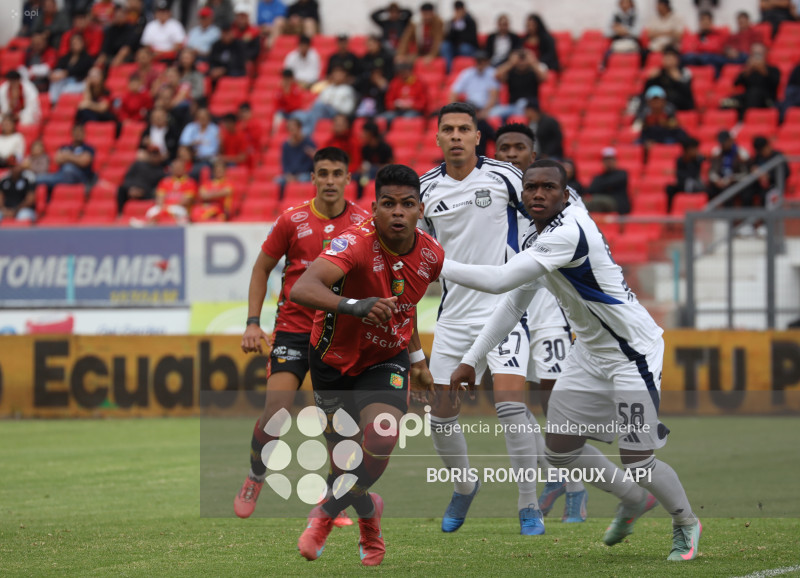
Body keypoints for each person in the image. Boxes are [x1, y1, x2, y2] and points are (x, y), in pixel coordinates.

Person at [443, 158, 701, 562]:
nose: (538, 194)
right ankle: (634, 500)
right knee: (559, 450)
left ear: (565, 195)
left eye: (548, 187)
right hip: (589, 353)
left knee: (638, 461)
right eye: (531, 187)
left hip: (631, 353)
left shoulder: (569, 231)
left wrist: (431, 260)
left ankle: (686, 523)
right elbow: (512, 303)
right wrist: (472, 359)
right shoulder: (539, 237)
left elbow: (499, 280)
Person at [289, 163, 443, 566]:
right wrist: (355, 306)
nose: (398, 212)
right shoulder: (354, 243)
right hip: (332, 359)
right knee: (345, 462)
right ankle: (369, 516)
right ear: (374, 209)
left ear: (420, 209)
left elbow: (405, 307)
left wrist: (418, 360)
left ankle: (324, 513)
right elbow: (302, 288)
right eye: (388, 204)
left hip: (385, 359)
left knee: (381, 437)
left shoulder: (432, 255)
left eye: (407, 204)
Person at [418, 102, 543, 535]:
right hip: (453, 317)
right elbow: (420, 253)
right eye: (448, 129)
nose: (455, 136)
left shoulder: (505, 176)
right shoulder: (425, 190)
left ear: (477, 137)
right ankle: (465, 485)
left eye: (463, 129)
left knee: (510, 406)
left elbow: (542, 219)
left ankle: (529, 504)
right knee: (440, 416)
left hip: (503, 310)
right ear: (438, 137)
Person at [234, 147, 370, 522]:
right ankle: (255, 475)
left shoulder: (362, 222)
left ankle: (332, 498)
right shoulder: (292, 220)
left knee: (339, 423)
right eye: (322, 173)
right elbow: (261, 269)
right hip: (293, 329)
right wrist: (252, 322)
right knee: (276, 412)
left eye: (337, 173)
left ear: (348, 178)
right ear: (312, 178)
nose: (330, 180)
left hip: (338, 334)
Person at [493, 123, 589, 523]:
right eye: (504, 148)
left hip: (550, 307)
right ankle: (554, 477)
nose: (510, 154)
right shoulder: (490, 192)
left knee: (554, 403)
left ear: (532, 156)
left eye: (518, 148)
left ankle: (576, 487)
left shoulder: (561, 196)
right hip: (511, 307)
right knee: (512, 403)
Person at [292, 66, 357, 137]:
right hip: (321, 111)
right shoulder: (328, 88)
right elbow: (317, 102)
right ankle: (296, 135)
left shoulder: (348, 90)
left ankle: (308, 133)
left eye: (340, 74)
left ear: (345, 76)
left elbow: (348, 110)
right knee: (298, 114)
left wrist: (331, 104)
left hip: (335, 113)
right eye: (336, 74)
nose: (337, 76)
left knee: (319, 106)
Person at [36, 124, 95, 197]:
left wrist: (68, 156)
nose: (78, 134)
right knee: (42, 177)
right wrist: (76, 158)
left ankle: (49, 181)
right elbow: (57, 159)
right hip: (61, 175)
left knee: (68, 168)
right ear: (72, 133)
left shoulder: (88, 148)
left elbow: (84, 161)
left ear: (84, 134)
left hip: (79, 177)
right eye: (76, 132)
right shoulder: (65, 146)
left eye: (80, 132)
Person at [725, 44, 780, 118]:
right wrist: (747, 71)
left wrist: (763, 70)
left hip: (766, 99)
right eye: (754, 54)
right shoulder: (748, 70)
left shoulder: (773, 69)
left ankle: (745, 119)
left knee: (754, 94)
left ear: (765, 54)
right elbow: (736, 83)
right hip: (747, 97)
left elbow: (775, 84)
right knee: (726, 102)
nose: (756, 57)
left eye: (759, 54)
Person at [491, 49, 548, 120]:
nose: (521, 61)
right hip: (512, 106)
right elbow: (497, 75)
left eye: (523, 58)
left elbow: (544, 77)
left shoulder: (533, 72)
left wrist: (532, 61)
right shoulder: (511, 72)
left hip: (530, 107)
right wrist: (511, 62)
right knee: (493, 113)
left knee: (522, 103)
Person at [141, 158, 196, 224]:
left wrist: (169, 207)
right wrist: (164, 207)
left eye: (179, 167)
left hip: (180, 208)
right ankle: (145, 226)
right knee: (152, 211)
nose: (177, 169)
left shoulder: (190, 182)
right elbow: (160, 198)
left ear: (185, 169)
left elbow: (186, 200)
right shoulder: (164, 181)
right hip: (164, 206)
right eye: (175, 167)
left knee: (179, 212)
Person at [448, 51, 498, 121]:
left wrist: (484, 111)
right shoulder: (467, 73)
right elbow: (454, 91)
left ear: (487, 62)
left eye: (482, 61)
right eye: (478, 61)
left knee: (496, 113)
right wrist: (453, 109)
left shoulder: (492, 73)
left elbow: (493, 96)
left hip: (487, 108)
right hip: (471, 106)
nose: (480, 63)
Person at [643, 46, 694, 111]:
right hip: (663, 106)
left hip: (681, 106)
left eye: (670, 58)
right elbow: (648, 91)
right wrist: (651, 79)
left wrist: (678, 80)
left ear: (677, 59)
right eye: (666, 58)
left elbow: (688, 93)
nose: (668, 60)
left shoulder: (684, 72)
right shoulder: (659, 73)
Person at [117, 145, 165, 213]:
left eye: (156, 155)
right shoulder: (138, 164)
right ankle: (120, 213)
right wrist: (131, 188)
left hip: (146, 193)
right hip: (131, 189)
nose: (154, 157)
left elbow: (158, 186)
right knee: (121, 189)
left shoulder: (161, 172)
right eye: (151, 154)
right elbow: (127, 178)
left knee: (156, 194)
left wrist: (142, 192)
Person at [48, 33, 94, 105]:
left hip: (79, 83)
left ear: (82, 43)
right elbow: (59, 67)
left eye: (77, 43)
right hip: (65, 81)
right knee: (57, 73)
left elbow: (80, 70)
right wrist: (53, 74)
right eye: (73, 43)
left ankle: (58, 104)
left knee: (65, 91)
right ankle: (53, 103)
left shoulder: (87, 58)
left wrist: (65, 73)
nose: (75, 45)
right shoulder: (66, 57)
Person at [586, 147, 631, 214]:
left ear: (615, 161)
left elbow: (611, 182)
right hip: (602, 205)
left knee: (595, 201)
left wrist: (601, 185)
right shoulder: (599, 176)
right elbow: (591, 190)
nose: (609, 162)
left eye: (611, 159)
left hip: (618, 205)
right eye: (606, 160)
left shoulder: (622, 173)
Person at [708, 130, 749, 201]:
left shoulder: (741, 153)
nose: (723, 145)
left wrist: (733, 179)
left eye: (724, 142)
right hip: (721, 181)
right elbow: (712, 171)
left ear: (731, 140)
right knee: (709, 190)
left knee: (746, 193)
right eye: (721, 143)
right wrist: (716, 180)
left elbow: (746, 174)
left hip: (736, 182)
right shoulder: (717, 152)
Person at [95, 5, 140, 69]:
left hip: (126, 58)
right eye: (116, 15)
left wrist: (117, 60)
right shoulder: (110, 30)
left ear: (126, 15)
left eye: (121, 15)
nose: (118, 17)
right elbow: (105, 49)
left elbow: (126, 49)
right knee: (97, 66)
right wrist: (98, 64)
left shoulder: (132, 29)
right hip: (111, 57)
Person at [666, 137, 706, 210]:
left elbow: (693, 175)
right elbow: (680, 178)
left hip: (695, 185)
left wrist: (677, 172)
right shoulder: (680, 160)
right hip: (683, 184)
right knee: (669, 188)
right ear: (687, 150)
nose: (696, 151)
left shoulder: (698, 160)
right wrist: (679, 173)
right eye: (694, 149)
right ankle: (670, 210)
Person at [441, 0, 479, 70]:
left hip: (468, 48)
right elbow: (449, 38)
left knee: (464, 48)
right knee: (445, 46)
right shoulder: (453, 21)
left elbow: (472, 39)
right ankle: (449, 70)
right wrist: (454, 25)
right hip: (456, 47)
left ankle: (465, 70)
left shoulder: (470, 21)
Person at [0, 159, 36, 224]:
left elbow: (30, 200)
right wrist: (4, 210)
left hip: (23, 209)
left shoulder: (28, 180)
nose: (14, 169)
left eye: (16, 166)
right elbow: (1, 198)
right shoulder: (4, 181)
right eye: (12, 166)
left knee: (23, 216)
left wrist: (15, 210)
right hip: (6, 210)